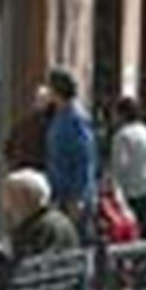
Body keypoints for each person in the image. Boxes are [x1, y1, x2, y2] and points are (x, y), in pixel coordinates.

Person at [44, 69, 98, 241]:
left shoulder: (75, 119)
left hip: (72, 198)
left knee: (75, 246)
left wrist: (78, 198)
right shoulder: (60, 115)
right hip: (61, 193)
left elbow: (84, 159)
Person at [108, 97, 146, 239]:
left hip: (133, 191)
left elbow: (119, 165)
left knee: (135, 231)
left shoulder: (122, 136)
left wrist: (115, 188)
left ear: (122, 114)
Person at [3, 86, 53, 172]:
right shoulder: (50, 122)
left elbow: (8, 148)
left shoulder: (23, 122)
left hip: (21, 168)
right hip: (39, 170)